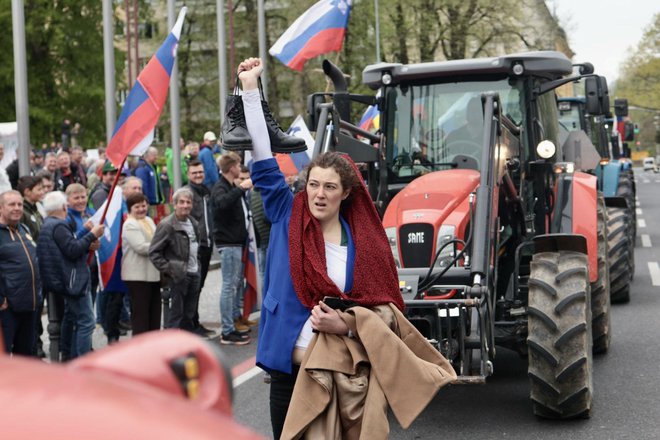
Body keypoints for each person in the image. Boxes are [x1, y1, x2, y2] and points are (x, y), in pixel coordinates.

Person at [238, 58, 453, 439]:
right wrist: (250, 88)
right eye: (314, 184)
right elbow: (261, 153)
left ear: (347, 193)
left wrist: (347, 326)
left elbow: (383, 312)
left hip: (344, 374)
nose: (319, 194)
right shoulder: (287, 213)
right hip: (290, 373)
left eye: (330, 187)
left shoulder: (365, 244)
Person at [38, 191, 104, 359]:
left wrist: (84, 232)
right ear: (64, 207)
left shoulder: (49, 223)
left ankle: (68, 355)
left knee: (71, 319)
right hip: (72, 280)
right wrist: (92, 235)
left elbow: (69, 243)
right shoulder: (58, 225)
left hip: (64, 280)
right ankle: (82, 360)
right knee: (86, 322)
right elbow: (72, 250)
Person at [212, 151, 252, 344]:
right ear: (230, 168)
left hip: (235, 242)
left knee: (234, 285)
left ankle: (233, 323)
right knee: (229, 286)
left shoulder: (228, 186)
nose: (240, 168)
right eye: (237, 165)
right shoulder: (221, 187)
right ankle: (227, 330)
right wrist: (241, 189)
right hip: (228, 244)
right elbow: (221, 204)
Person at [149, 188, 200, 332]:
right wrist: (171, 269)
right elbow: (154, 252)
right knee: (176, 316)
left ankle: (185, 348)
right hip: (178, 277)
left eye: (188, 202)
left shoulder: (193, 223)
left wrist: (198, 266)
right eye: (181, 202)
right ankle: (172, 351)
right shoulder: (167, 225)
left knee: (189, 315)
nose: (185, 205)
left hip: (194, 273)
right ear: (175, 204)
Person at [0, 190, 41, 356]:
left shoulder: (23, 229)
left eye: (20, 204)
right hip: (7, 308)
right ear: (0, 208)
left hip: (30, 305)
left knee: (24, 357)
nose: (17, 208)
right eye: (12, 204)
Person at [183, 160, 215, 336]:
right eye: (194, 173)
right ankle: (189, 325)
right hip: (196, 246)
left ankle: (195, 321)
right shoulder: (188, 193)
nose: (198, 175)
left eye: (200, 172)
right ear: (188, 174)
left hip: (207, 244)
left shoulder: (205, 191)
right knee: (193, 288)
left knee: (199, 286)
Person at [121, 193, 161, 335]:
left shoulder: (149, 220)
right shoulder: (130, 224)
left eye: (143, 205)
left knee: (154, 312)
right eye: (137, 207)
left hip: (152, 274)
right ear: (130, 209)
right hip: (137, 276)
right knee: (141, 315)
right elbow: (140, 247)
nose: (141, 209)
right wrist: (161, 245)